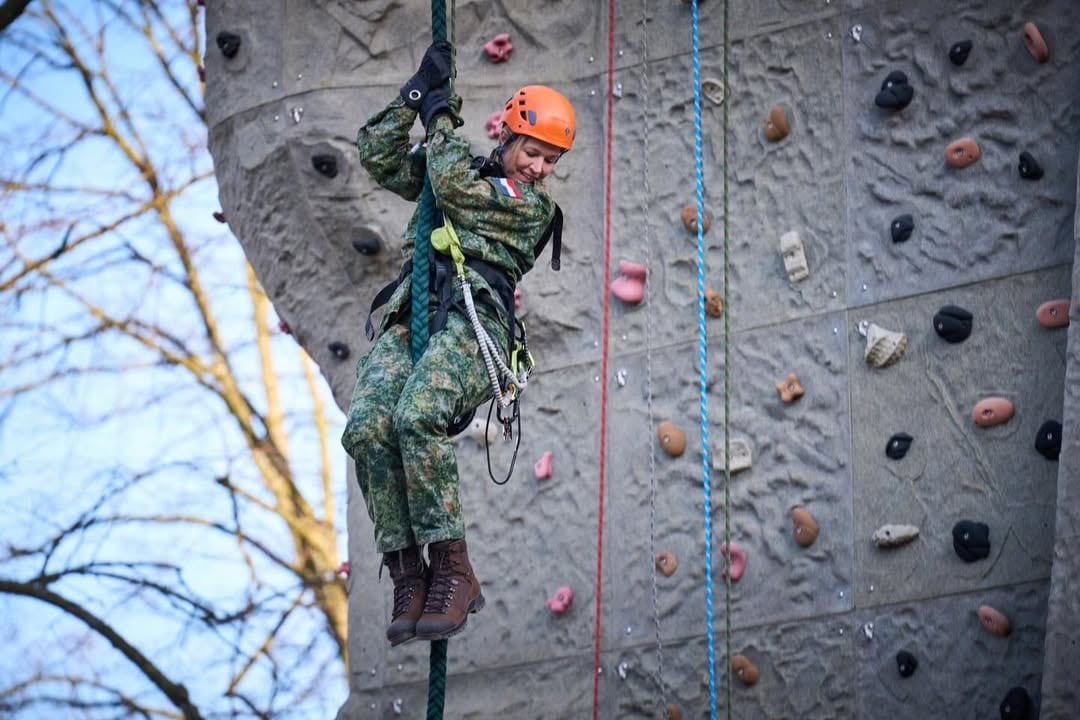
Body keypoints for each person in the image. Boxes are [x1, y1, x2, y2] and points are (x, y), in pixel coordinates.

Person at [341, 41, 575, 646]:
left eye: (551, 160)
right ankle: (407, 572)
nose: (539, 167)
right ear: (508, 138)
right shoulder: (460, 168)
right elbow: (378, 154)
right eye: (532, 151)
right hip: (413, 315)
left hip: (475, 324)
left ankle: (453, 570)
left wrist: (441, 117)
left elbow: (451, 186)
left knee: (417, 415)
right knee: (365, 427)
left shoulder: (530, 207)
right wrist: (416, 94)